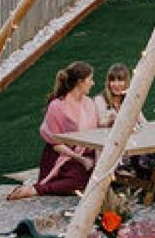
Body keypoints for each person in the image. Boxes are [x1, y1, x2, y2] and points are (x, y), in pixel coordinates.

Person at [18, 60, 98, 197]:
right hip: (61, 155)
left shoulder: (89, 103)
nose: (93, 83)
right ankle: (35, 190)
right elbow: (55, 143)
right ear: (80, 81)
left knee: (102, 173)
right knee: (79, 180)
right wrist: (81, 159)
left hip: (84, 152)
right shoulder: (57, 106)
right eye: (90, 79)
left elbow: (92, 134)